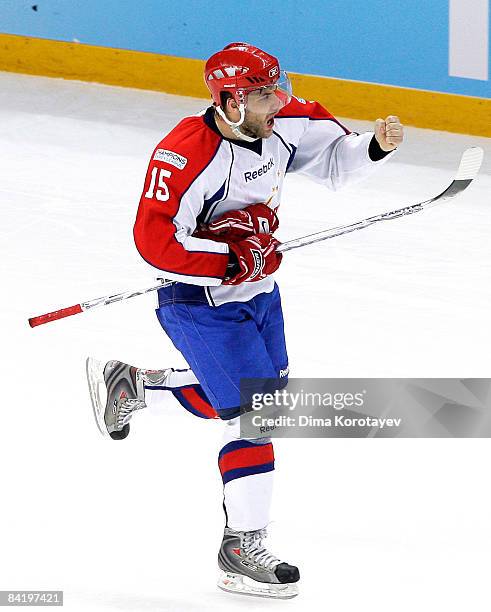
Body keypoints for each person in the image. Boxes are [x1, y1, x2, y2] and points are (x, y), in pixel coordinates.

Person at [86, 42, 404, 599]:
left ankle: (133, 387)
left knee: (259, 400)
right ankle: (240, 549)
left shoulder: (287, 117)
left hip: (259, 291)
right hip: (199, 302)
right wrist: (229, 257)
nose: (277, 101)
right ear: (230, 100)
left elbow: (334, 161)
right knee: (258, 417)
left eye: (277, 88)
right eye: (262, 94)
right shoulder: (185, 153)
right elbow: (155, 240)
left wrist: (372, 147)